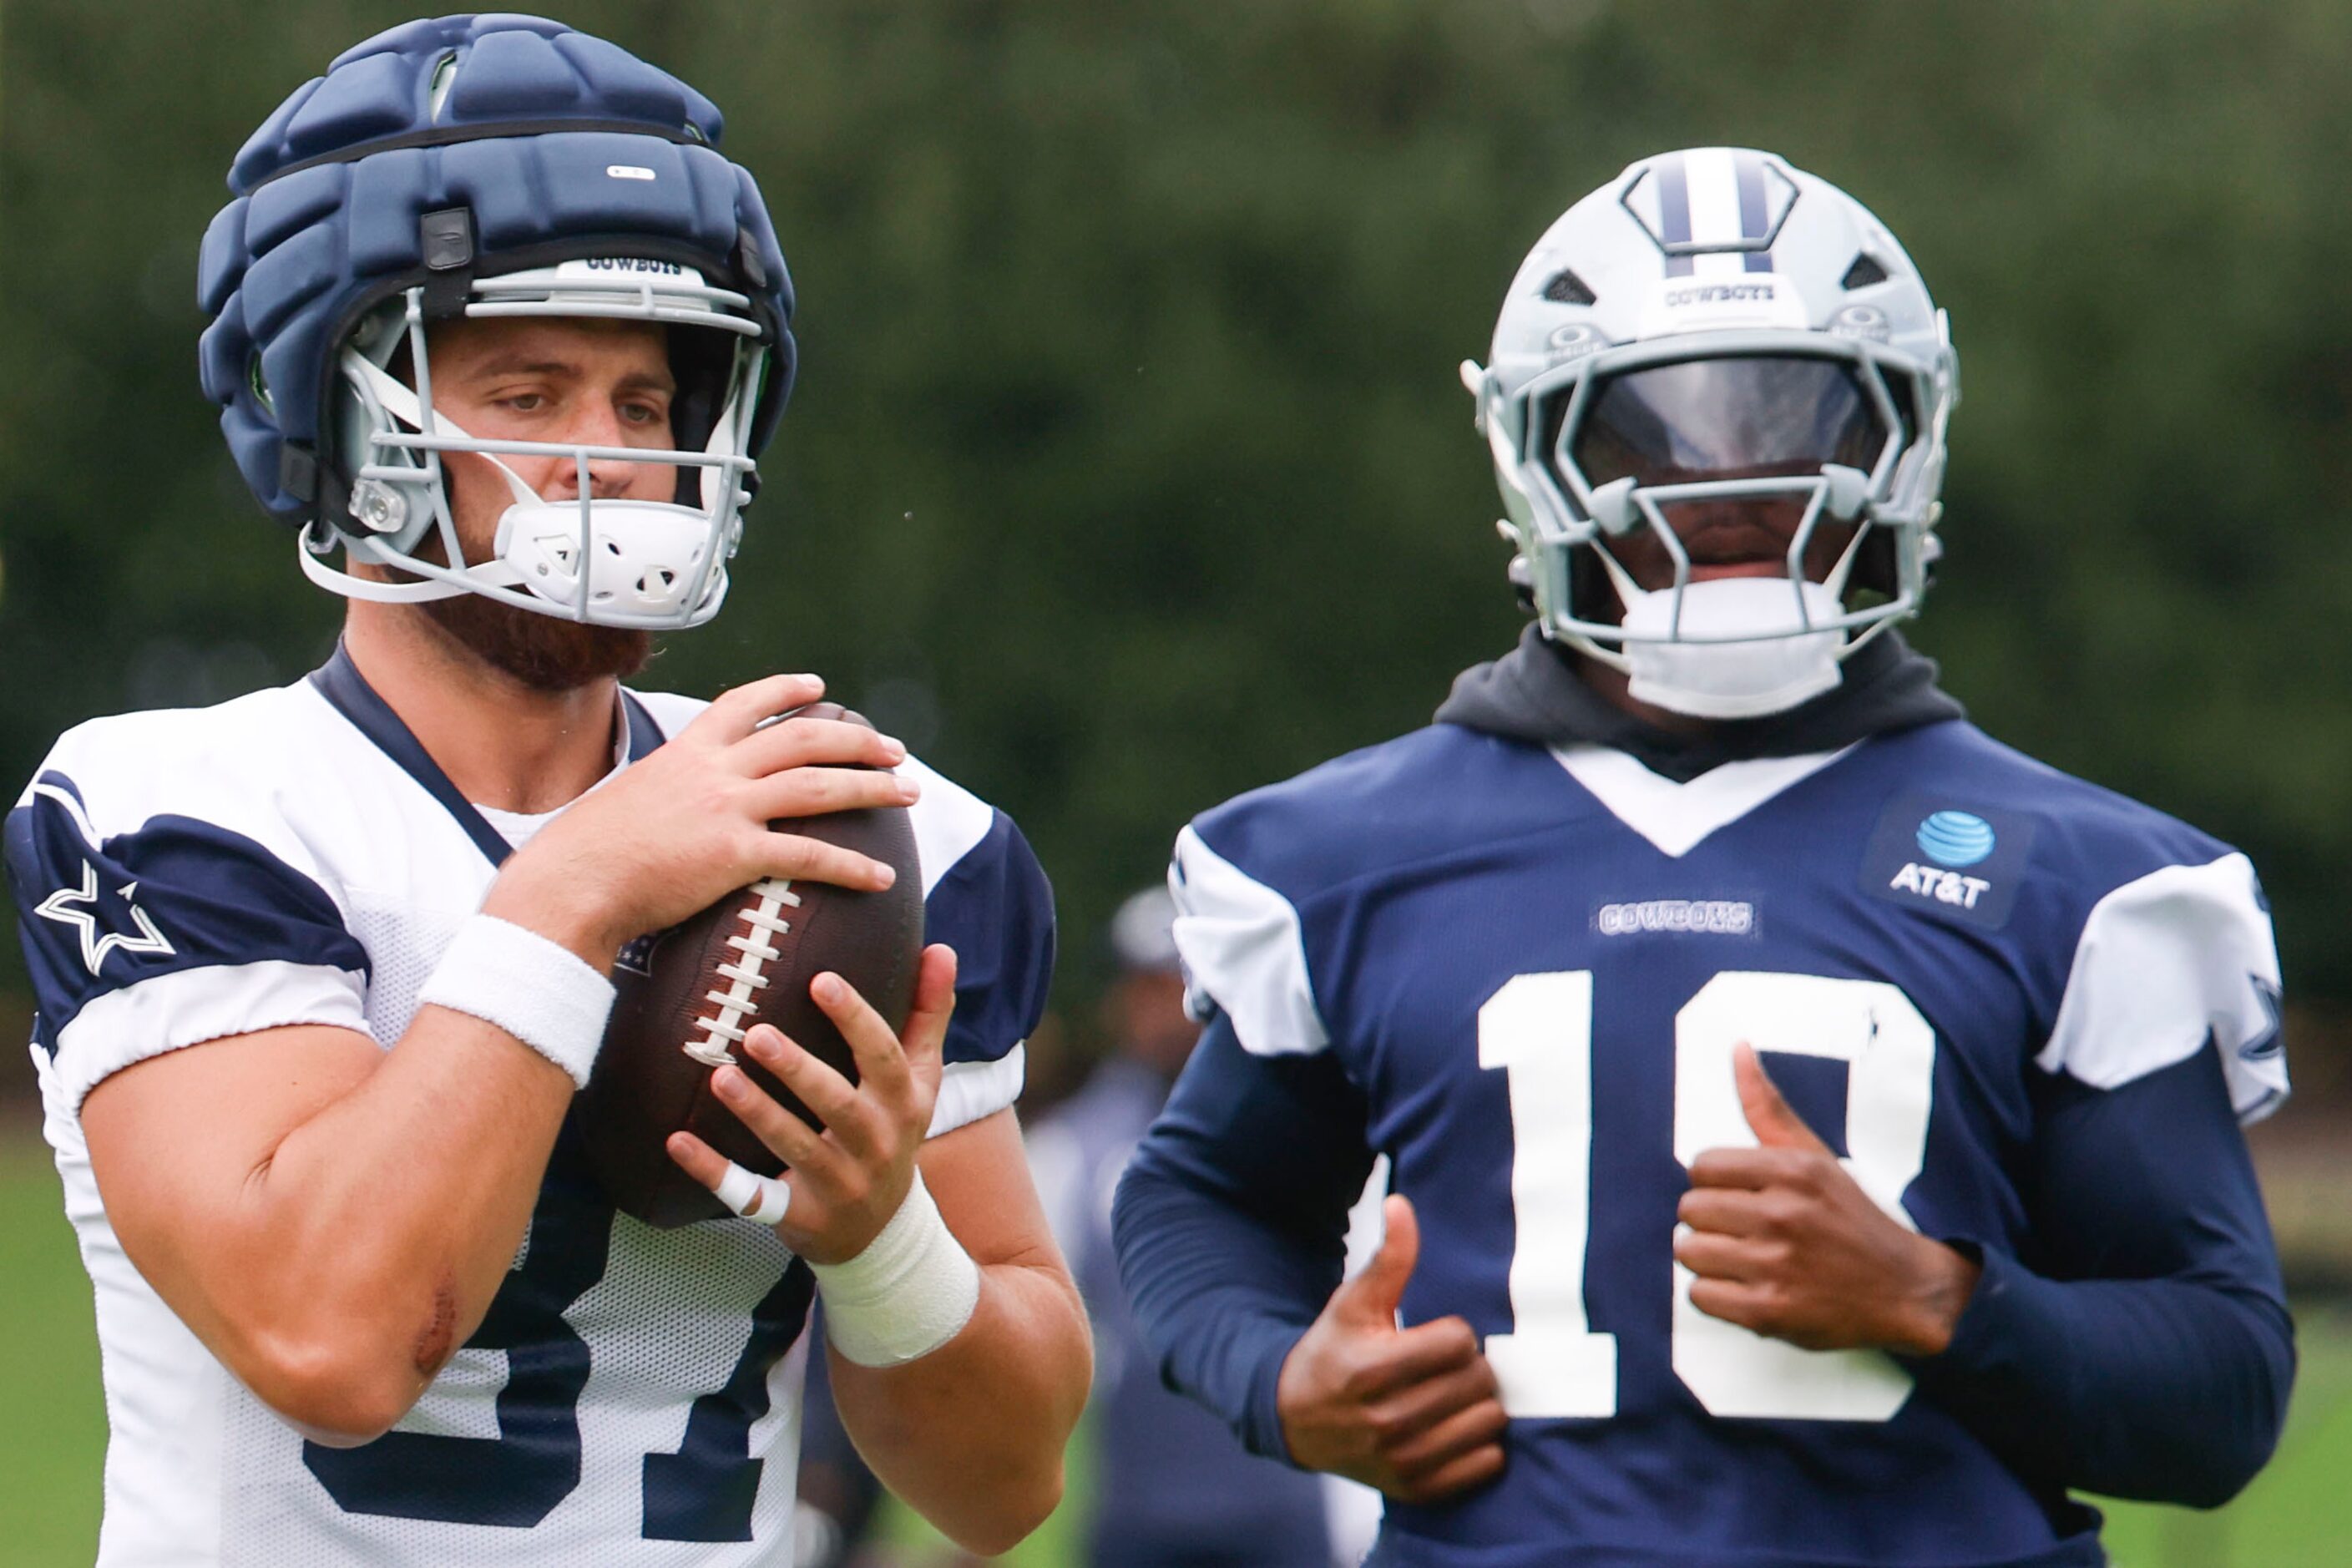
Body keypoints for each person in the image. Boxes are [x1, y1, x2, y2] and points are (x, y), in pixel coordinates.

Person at [4, 16, 1087, 1565]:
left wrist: (879, 1237)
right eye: (528, 390)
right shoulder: (185, 807)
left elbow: (1003, 1489)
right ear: (349, 415)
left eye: (645, 406)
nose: (609, 459)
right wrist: (576, 891)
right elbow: (332, 1338)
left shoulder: (860, 820)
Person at [1112, 147, 2293, 1567]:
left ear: (1896, 440)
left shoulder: (2075, 878)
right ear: (1537, 452)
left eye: (1790, 419)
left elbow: (2220, 1387)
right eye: (1654, 431)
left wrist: (1936, 1298)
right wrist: (1274, 1376)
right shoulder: (1349, 852)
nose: (1728, 481)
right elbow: (1205, 1195)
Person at [1029, 888, 1341, 1568]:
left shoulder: (1310, 1128)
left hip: (1282, 1504)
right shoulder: (1068, 1148)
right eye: (1147, 989)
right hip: (1138, 1508)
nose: (1165, 1012)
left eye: (1182, 988)